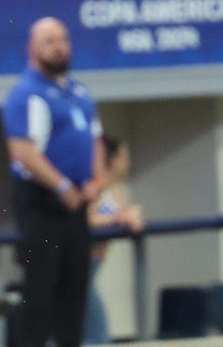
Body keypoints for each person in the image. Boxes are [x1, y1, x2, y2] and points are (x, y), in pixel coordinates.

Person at [1, 17, 105, 347]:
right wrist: (61, 186)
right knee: (40, 291)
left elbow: (96, 139)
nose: (58, 46)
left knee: (76, 290)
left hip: (77, 204)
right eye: (49, 41)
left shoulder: (79, 92)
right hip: (41, 204)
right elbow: (22, 152)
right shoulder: (24, 94)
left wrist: (94, 182)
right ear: (32, 48)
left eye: (63, 39)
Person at [83, 135, 144, 345]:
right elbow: (85, 220)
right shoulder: (94, 186)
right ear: (111, 159)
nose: (127, 162)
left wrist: (130, 216)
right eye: (123, 156)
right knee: (96, 333)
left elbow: (123, 214)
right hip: (80, 266)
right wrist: (117, 217)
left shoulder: (114, 189)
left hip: (95, 264)